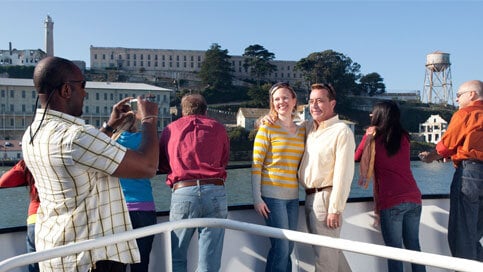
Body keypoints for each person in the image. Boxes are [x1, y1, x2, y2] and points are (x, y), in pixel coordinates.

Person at [21, 56, 159, 272]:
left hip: (56, 252)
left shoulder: (32, 133)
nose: (85, 93)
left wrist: (110, 127)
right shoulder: (77, 135)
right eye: (82, 85)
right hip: (91, 257)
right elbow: (147, 167)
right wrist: (149, 119)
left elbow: (82, 155)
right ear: (66, 90)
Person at [158, 93, 230, 272]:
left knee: (177, 256)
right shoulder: (218, 128)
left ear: (183, 111)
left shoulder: (170, 129)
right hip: (215, 189)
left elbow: (163, 163)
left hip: (183, 191)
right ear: (205, 110)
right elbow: (224, 159)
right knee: (209, 262)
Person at [355, 100, 425, 272]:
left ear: (379, 115)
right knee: (414, 247)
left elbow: (357, 156)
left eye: (373, 112)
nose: (370, 115)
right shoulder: (404, 137)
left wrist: (368, 135)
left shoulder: (372, 137)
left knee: (394, 251)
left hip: (392, 200)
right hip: (414, 197)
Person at [419, 79, 483, 261]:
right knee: (473, 235)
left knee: (461, 237)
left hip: (470, 175)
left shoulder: (466, 113)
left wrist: (429, 157)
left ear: (472, 94)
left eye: (459, 95)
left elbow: (446, 145)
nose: (456, 100)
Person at [298, 83, 354, 272]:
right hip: (310, 197)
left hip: (325, 200)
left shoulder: (341, 131)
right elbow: (284, 123)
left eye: (320, 101)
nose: (314, 106)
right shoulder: (311, 128)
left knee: (325, 259)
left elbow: (343, 173)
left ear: (332, 104)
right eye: (311, 101)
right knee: (332, 254)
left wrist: (335, 208)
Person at [251, 82, 305, 272]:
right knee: (281, 247)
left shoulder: (302, 130)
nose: (281, 102)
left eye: (285, 98)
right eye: (276, 99)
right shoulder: (267, 128)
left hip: (293, 196)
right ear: (272, 103)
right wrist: (257, 198)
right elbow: (256, 165)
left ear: (294, 100)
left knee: (288, 247)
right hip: (272, 196)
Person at [112, 111, 157, 272]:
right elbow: (154, 164)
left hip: (119, 210)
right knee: (141, 262)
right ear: (134, 124)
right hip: (144, 208)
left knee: (119, 263)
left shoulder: (112, 143)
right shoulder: (143, 142)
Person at [0, 160, 40, 272]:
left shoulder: (29, 161)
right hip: (58, 218)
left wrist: (23, 166)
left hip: (35, 218)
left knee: (34, 263)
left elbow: (4, 181)